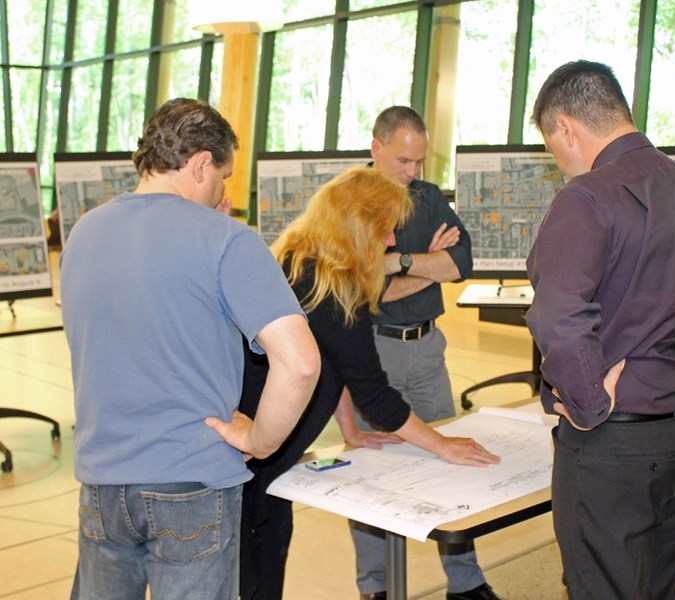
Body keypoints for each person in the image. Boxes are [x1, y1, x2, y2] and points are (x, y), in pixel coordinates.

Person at [525, 60, 675, 600]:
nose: (559, 162)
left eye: (551, 145)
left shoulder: (587, 197)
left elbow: (557, 316)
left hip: (615, 445)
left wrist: (588, 403)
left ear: (565, 126)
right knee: (658, 585)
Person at [60, 98, 321, 600]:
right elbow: (302, 362)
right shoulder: (228, 240)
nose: (223, 191)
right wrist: (261, 441)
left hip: (102, 481)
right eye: (223, 176)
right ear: (201, 163)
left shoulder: (84, 232)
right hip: (192, 483)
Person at [236, 166, 500, 600]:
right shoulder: (332, 286)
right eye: (386, 231)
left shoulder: (300, 260)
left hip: (267, 450)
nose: (393, 241)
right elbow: (374, 391)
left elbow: (333, 361)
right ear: (359, 227)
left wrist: (349, 429)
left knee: (269, 547)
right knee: (254, 567)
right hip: (256, 458)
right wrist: (441, 444)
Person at [344, 106, 501, 600]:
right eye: (403, 161)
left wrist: (401, 261)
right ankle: (376, 589)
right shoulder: (348, 203)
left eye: (419, 162)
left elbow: (463, 263)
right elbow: (360, 293)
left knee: (453, 457)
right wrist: (430, 267)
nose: (412, 172)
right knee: (373, 473)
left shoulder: (428, 199)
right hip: (375, 355)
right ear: (376, 148)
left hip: (428, 349)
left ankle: (466, 583)